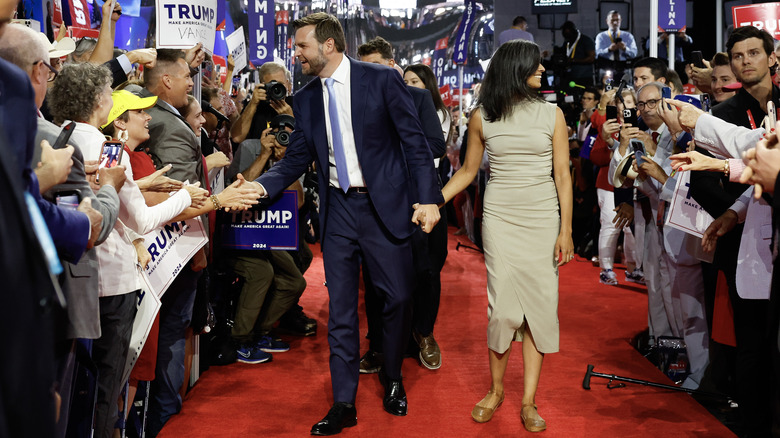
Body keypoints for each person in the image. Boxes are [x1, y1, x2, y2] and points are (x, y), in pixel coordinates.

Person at [248, 12, 442, 435]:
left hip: (384, 206)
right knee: (340, 310)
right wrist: (257, 188)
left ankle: (393, 375)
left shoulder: (381, 80)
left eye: (302, 46)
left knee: (398, 298)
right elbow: (295, 161)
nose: (296, 54)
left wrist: (428, 198)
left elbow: (415, 144)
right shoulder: (304, 98)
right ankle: (343, 402)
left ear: (329, 45)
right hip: (338, 211)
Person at [439, 39, 573, 433]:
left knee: (539, 310)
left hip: (543, 218)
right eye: (535, 64)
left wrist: (565, 229)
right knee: (502, 311)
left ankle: (528, 401)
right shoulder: (482, 117)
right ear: (515, 68)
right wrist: (434, 201)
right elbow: (467, 172)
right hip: (499, 219)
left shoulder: (552, 114)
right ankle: (496, 391)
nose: (542, 70)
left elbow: (563, 175)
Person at [595, 10, 637, 80]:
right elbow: (597, 53)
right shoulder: (601, 36)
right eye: (612, 20)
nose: (615, 23)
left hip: (624, 68)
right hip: (607, 67)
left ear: (621, 20)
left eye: (617, 20)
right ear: (607, 21)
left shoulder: (628, 36)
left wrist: (625, 49)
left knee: (624, 86)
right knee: (608, 86)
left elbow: (634, 54)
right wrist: (608, 50)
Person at [560, 21, 595, 89]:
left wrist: (573, 60)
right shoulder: (567, 42)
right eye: (565, 34)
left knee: (584, 94)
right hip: (570, 77)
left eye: (568, 34)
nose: (566, 36)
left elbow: (591, 58)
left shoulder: (586, 40)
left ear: (573, 31)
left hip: (584, 77)